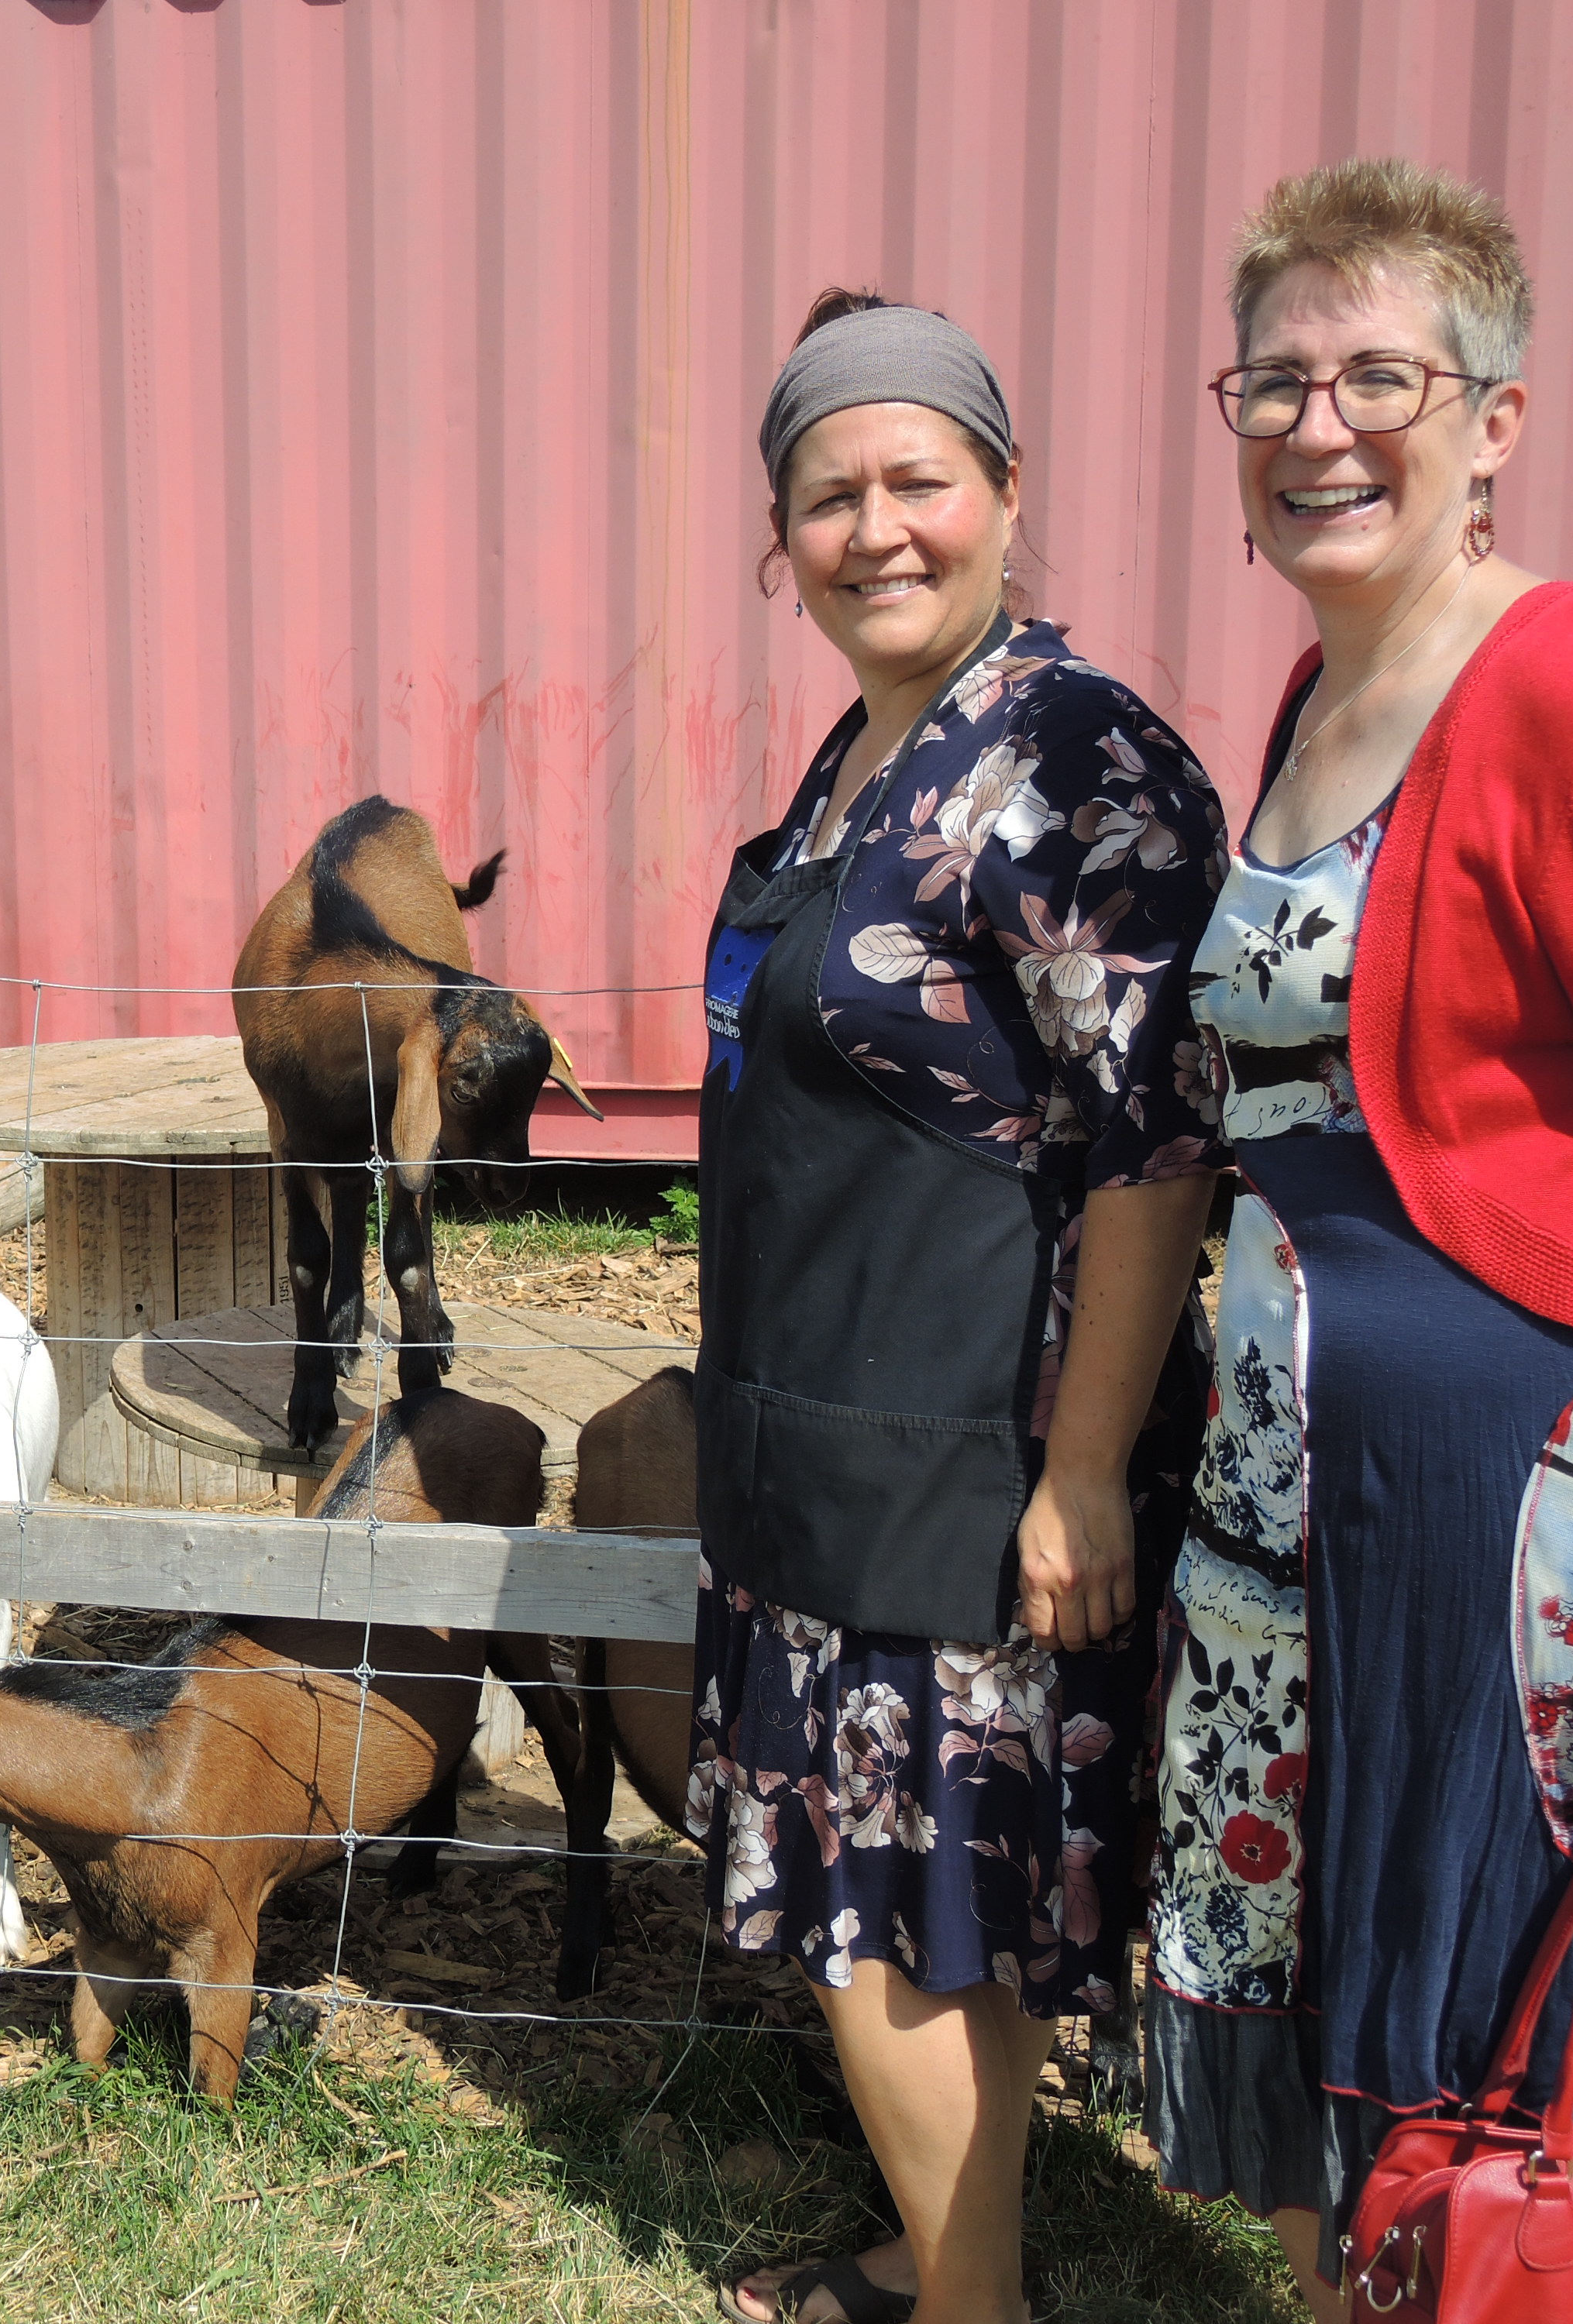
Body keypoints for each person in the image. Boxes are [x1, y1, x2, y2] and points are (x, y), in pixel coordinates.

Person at [1144, 155, 1573, 2319]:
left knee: (1540, 2070)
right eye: (1274, 381)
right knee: (1371, 2053)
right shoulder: (1320, 707)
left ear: (1496, 421)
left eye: (1379, 375)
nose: (1320, 424)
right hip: (1310, 1513)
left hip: (1524, 1530)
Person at [687, 293, 1227, 2324]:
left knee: (900, 1914)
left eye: (918, 480)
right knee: (900, 1903)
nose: (876, 526)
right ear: (783, 539)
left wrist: (1083, 1468)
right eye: (830, 495)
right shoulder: (867, 747)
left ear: (1006, 491)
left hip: (966, 1456)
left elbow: (1163, 1145)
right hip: (815, 1431)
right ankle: (943, 2264)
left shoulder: (1074, 752)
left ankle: (972, 2308)